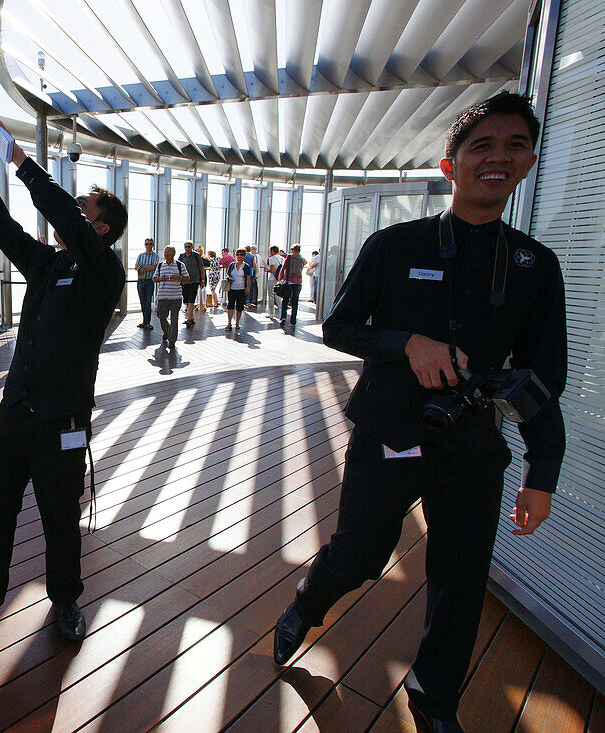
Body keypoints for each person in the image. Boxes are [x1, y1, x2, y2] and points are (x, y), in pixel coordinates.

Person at [272, 92, 566, 733]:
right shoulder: (393, 244)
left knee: (460, 585)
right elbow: (340, 326)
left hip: (472, 448)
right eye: (481, 145)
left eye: (513, 145)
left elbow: (545, 380)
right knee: (359, 555)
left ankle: (433, 702)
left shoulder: (536, 267)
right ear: (449, 164)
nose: (498, 157)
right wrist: (408, 344)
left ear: (529, 161)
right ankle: (305, 604)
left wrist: (543, 470)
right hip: (391, 431)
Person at [0, 114, 127, 647]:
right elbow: (0, 224)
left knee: (61, 517)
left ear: (101, 229)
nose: (74, 213)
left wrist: (18, 159)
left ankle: (65, 600)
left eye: (84, 210)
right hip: (15, 414)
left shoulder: (104, 273)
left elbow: (60, 214)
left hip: (62, 421)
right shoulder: (48, 264)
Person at [153, 245, 188, 351]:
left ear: (173, 254)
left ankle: (172, 340)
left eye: (168, 252)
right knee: (161, 316)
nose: (166, 254)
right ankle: (167, 332)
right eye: (165, 252)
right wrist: (160, 278)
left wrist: (179, 278)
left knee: (174, 319)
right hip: (163, 297)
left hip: (176, 297)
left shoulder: (179, 265)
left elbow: (187, 278)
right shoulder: (160, 265)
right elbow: (154, 279)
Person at [277, 243, 306, 327]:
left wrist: (281, 278)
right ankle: (293, 321)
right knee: (295, 301)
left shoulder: (289, 257)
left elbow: (284, 267)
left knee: (285, 300)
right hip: (299, 282)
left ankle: (283, 317)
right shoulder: (302, 259)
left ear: (293, 250)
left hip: (289, 281)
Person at [178, 241, 205, 327]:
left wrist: (202, 280)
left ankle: (189, 318)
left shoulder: (196, 256)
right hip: (184, 281)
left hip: (194, 281)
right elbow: (178, 268)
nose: (187, 248)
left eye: (189, 246)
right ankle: (191, 317)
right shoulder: (181, 257)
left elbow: (202, 268)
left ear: (192, 247)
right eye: (186, 247)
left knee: (191, 299)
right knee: (186, 299)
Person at [134, 238, 159, 329]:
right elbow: (136, 267)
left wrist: (142, 267)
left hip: (149, 281)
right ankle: (144, 321)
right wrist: (146, 267)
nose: (148, 245)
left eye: (150, 244)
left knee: (148, 301)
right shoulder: (141, 255)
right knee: (142, 301)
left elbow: (153, 267)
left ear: (153, 245)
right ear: (144, 245)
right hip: (140, 280)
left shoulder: (155, 256)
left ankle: (147, 322)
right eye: (147, 244)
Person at [224, 251, 251, 331]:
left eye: (241, 255)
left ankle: (237, 323)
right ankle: (229, 323)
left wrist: (248, 287)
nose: (239, 256)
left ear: (244, 256)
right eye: (238, 255)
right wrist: (228, 278)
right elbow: (228, 273)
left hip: (241, 289)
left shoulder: (246, 266)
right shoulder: (232, 265)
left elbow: (248, 277)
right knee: (230, 306)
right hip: (232, 288)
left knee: (239, 307)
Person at [265, 245, 284, 320]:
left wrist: (266, 269)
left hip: (272, 279)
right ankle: (282, 311)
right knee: (278, 296)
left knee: (271, 296)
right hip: (280, 279)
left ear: (273, 251)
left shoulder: (271, 258)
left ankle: (271, 313)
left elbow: (272, 270)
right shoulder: (282, 258)